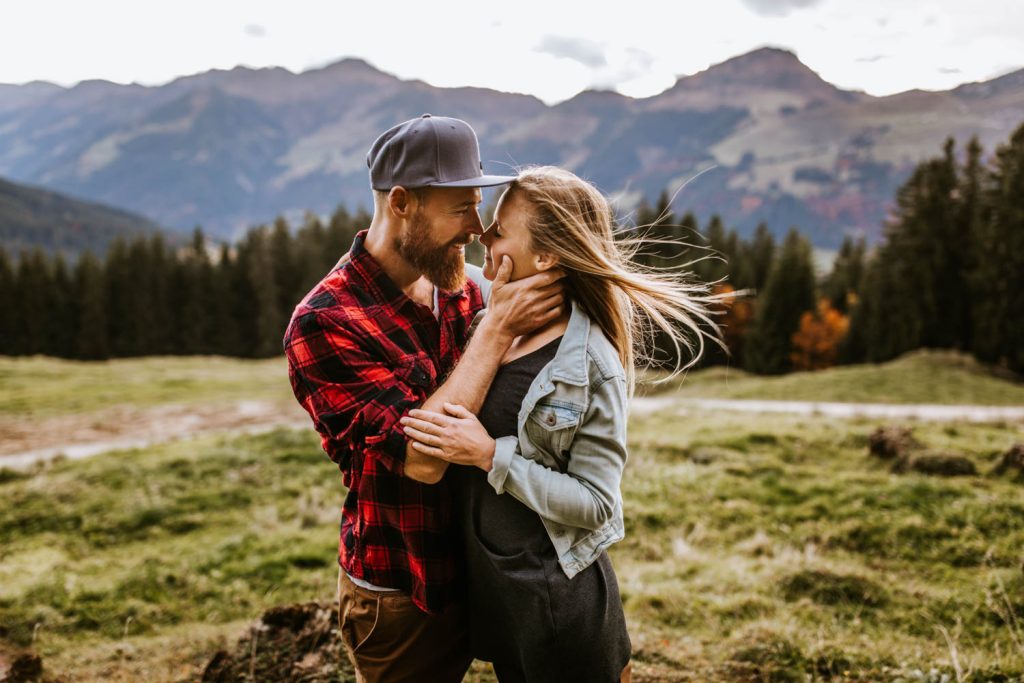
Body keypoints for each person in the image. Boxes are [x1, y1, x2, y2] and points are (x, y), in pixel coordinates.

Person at [400, 166, 722, 683]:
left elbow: (596, 504)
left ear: (547, 256)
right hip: (502, 595)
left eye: (500, 229)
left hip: (558, 605)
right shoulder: (493, 326)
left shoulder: (590, 363)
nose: (483, 235)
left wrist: (488, 455)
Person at [283, 116, 565, 683]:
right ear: (402, 203)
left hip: (486, 566)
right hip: (402, 590)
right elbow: (423, 459)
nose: (477, 229)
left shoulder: (459, 284)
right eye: (461, 209)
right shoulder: (325, 322)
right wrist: (495, 332)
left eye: (477, 208)